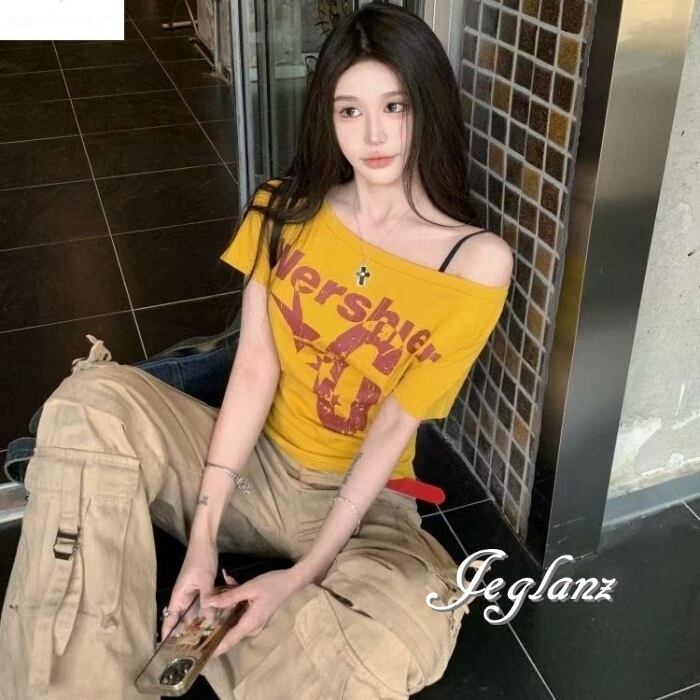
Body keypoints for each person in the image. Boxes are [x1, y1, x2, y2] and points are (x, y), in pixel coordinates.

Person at [0, 3, 513, 699]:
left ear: (428, 106)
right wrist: (204, 535)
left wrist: (298, 576)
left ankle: (236, 627)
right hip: (254, 471)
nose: (374, 134)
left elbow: (395, 425)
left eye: (395, 106)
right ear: (328, 118)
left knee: (407, 623)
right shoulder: (283, 210)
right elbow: (252, 370)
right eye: (350, 111)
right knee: (90, 403)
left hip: (366, 506)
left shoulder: (473, 263)